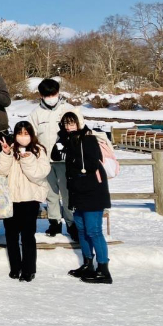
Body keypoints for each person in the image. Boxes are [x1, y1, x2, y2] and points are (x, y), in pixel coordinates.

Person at [52, 111, 112, 284]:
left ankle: (103, 269)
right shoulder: (65, 139)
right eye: (66, 124)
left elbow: (93, 163)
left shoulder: (88, 138)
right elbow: (56, 156)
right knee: (82, 229)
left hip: (93, 191)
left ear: (79, 123)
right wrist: (62, 146)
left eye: (72, 123)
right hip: (77, 192)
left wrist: (72, 153)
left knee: (93, 230)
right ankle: (88, 264)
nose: (69, 127)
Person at [0, 121, 50, 282]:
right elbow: (1, 172)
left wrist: (28, 159)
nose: (23, 137)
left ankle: (28, 269)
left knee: (27, 235)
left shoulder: (39, 150)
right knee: (11, 235)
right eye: (19, 134)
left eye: (26, 134)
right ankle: (15, 267)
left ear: (31, 134)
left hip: (30, 199)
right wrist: (5, 154)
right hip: (11, 198)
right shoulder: (11, 149)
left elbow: (38, 174)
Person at [29, 78, 77, 239]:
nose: (50, 97)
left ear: (58, 93)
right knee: (51, 193)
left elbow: (80, 129)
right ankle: (54, 222)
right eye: (46, 95)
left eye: (53, 94)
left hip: (66, 160)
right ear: (41, 95)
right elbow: (31, 135)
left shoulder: (68, 109)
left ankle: (71, 223)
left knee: (68, 192)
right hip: (45, 161)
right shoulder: (36, 113)